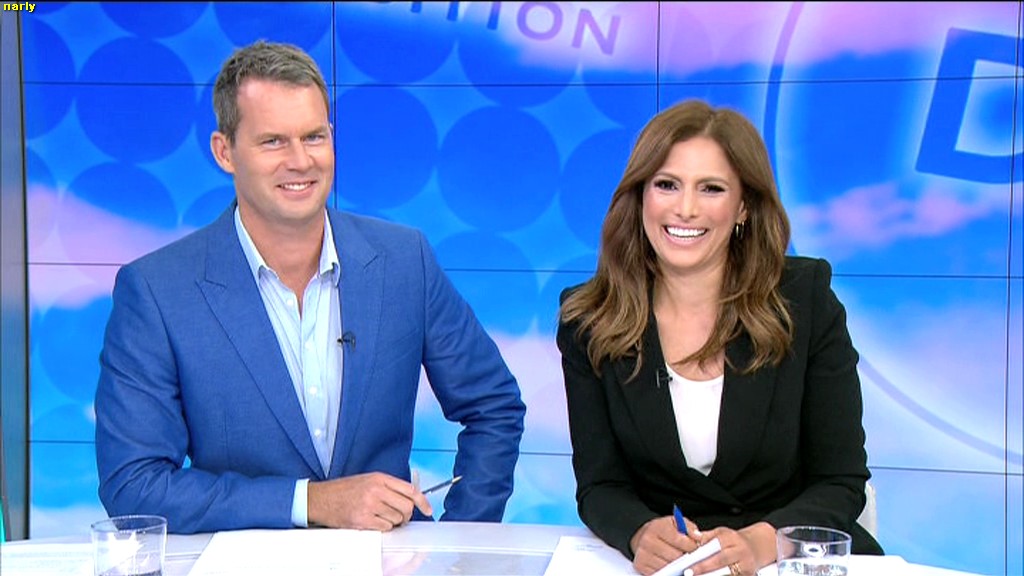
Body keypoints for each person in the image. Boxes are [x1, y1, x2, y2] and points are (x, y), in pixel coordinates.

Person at [95, 40, 526, 534]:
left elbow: (494, 407)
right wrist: (310, 502)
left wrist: (456, 543)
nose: (300, 160)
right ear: (224, 152)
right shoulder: (157, 291)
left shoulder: (405, 261)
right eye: (273, 141)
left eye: (314, 137)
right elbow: (134, 484)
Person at [556, 99, 883, 576]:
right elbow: (600, 486)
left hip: (787, 560)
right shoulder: (590, 319)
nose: (685, 209)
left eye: (711, 188)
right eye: (666, 184)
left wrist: (760, 542)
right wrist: (639, 532)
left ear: (743, 206)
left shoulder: (804, 301)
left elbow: (840, 480)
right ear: (641, 196)